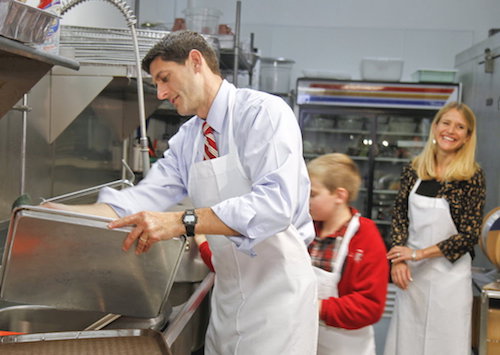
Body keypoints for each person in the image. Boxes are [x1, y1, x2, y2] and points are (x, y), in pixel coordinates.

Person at [45, 30, 318, 354]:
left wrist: (182, 221)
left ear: (195, 61)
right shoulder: (190, 139)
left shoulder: (262, 114)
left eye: (165, 78)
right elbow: (139, 200)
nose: (160, 93)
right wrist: (56, 216)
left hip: (279, 297)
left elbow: (275, 205)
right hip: (228, 297)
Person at [384, 102, 486, 355]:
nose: (451, 130)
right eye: (446, 123)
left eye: (460, 127)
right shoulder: (414, 170)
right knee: (408, 341)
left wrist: (417, 254)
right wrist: (398, 260)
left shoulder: (471, 177)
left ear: (467, 137)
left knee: (445, 343)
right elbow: (399, 217)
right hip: (412, 275)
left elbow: (469, 235)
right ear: (435, 127)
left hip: (449, 277)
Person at [306, 153, 389, 355]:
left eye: (313, 194)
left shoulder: (365, 236)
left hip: (347, 348)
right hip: (306, 341)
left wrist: (317, 308)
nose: (305, 200)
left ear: (339, 196)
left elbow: (370, 305)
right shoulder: (307, 229)